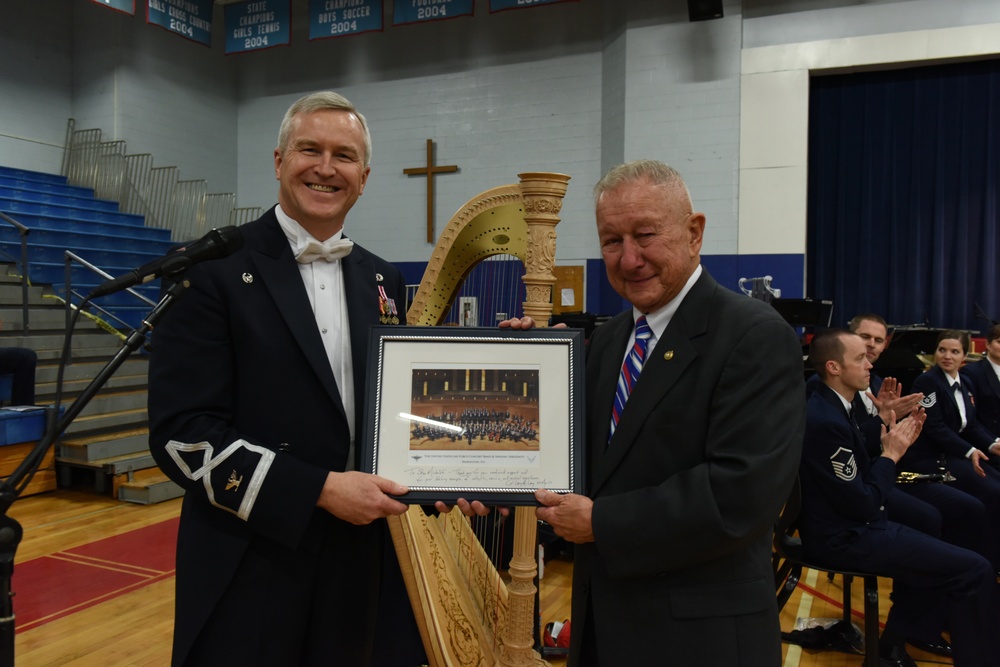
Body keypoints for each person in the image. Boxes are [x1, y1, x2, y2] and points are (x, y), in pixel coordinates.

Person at [147, 91, 424, 666]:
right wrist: (319, 490)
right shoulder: (209, 269)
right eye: (309, 149)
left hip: (358, 553)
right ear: (278, 161)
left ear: (364, 176)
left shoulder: (383, 278)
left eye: (343, 155)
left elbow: (393, 408)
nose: (325, 168)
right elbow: (183, 434)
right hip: (251, 551)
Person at [518, 160, 806, 665]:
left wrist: (603, 522)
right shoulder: (607, 340)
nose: (629, 259)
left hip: (700, 640)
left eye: (645, 234)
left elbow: (741, 493)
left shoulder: (754, 335)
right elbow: (581, 461)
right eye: (612, 241)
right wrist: (515, 382)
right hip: (604, 627)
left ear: (694, 232)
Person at [798, 329, 996, 667]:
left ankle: (900, 639)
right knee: (975, 569)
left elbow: (858, 449)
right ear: (833, 367)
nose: (869, 365)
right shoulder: (825, 418)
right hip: (845, 533)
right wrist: (891, 455)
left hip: (849, 521)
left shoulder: (832, 404)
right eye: (859, 358)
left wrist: (883, 421)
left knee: (937, 528)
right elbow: (863, 502)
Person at [961, 323, 1000, 439]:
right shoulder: (971, 372)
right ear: (988, 344)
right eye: (999, 342)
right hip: (987, 441)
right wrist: (993, 441)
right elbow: (971, 417)